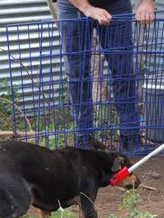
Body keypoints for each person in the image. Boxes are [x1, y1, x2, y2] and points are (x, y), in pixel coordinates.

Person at [56, 0, 155, 151]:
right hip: (73, 5)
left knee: (124, 70)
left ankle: (130, 137)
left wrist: (147, 2)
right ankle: (84, 139)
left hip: (115, 3)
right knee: (78, 75)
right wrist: (86, 8)